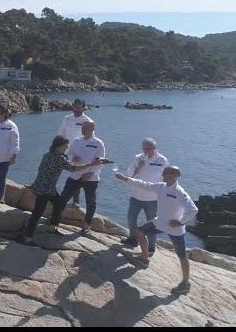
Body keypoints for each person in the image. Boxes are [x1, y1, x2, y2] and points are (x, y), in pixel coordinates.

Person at [115, 166, 198, 294]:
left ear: (174, 175)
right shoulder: (161, 186)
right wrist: (125, 179)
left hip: (175, 229)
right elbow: (144, 185)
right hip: (160, 222)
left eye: (165, 172)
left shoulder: (179, 192)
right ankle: (145, 258)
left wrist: (180, 222)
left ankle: (185, 283)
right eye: (164, 172)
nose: (163, 174)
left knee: (182, 255)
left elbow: (193, 210)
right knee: (140, 232)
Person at [20, 135, 106, 244]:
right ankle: (27, 238)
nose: (66, 148)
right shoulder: (59, 159)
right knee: (37, 213)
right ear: (59, 146)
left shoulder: (48, 155)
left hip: (44, 186)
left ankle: (52, 228)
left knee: (58, 204)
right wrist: (92, 164)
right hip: (46, 189)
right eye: (65, 146)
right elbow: (73, 168)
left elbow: (41, 170)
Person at [58, 120, 105, 233]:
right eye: (82, 128)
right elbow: (69, 155)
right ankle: (55, 219)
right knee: (63, 197)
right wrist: (72, 159)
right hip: (75, 174)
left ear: (92, 129)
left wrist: (90, 173)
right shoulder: (76, 141)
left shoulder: (98, 143)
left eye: (85, 128)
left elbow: (101, 161)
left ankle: (87, 225)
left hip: (91, 178)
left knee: (90, 202)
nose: (82, 130)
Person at [122, 138, 169, 249]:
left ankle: (151, 247)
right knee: (131, 218)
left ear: (154, 148)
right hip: (136, 196)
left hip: (152, 199)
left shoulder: (162, 160)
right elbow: (129, 175)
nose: (146, 151)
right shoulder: (137, 158)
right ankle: (133, 239)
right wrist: (138, 167)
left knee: (152, 223)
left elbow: (165, 179)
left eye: (148, 149)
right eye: (144, 149)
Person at [57, 99, 93, 206]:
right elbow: (60, 135)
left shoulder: (87, 121)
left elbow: (91, 139)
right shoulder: (66, 119)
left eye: (79, 107)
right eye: (75, 107)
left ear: (83, 107)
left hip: (79, 155)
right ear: (73, 106)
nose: (77, 109)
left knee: (76, 176)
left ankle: (75, 202)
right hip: (65, 152)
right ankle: (47, 191)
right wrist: (57, 149)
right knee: (54, 170)